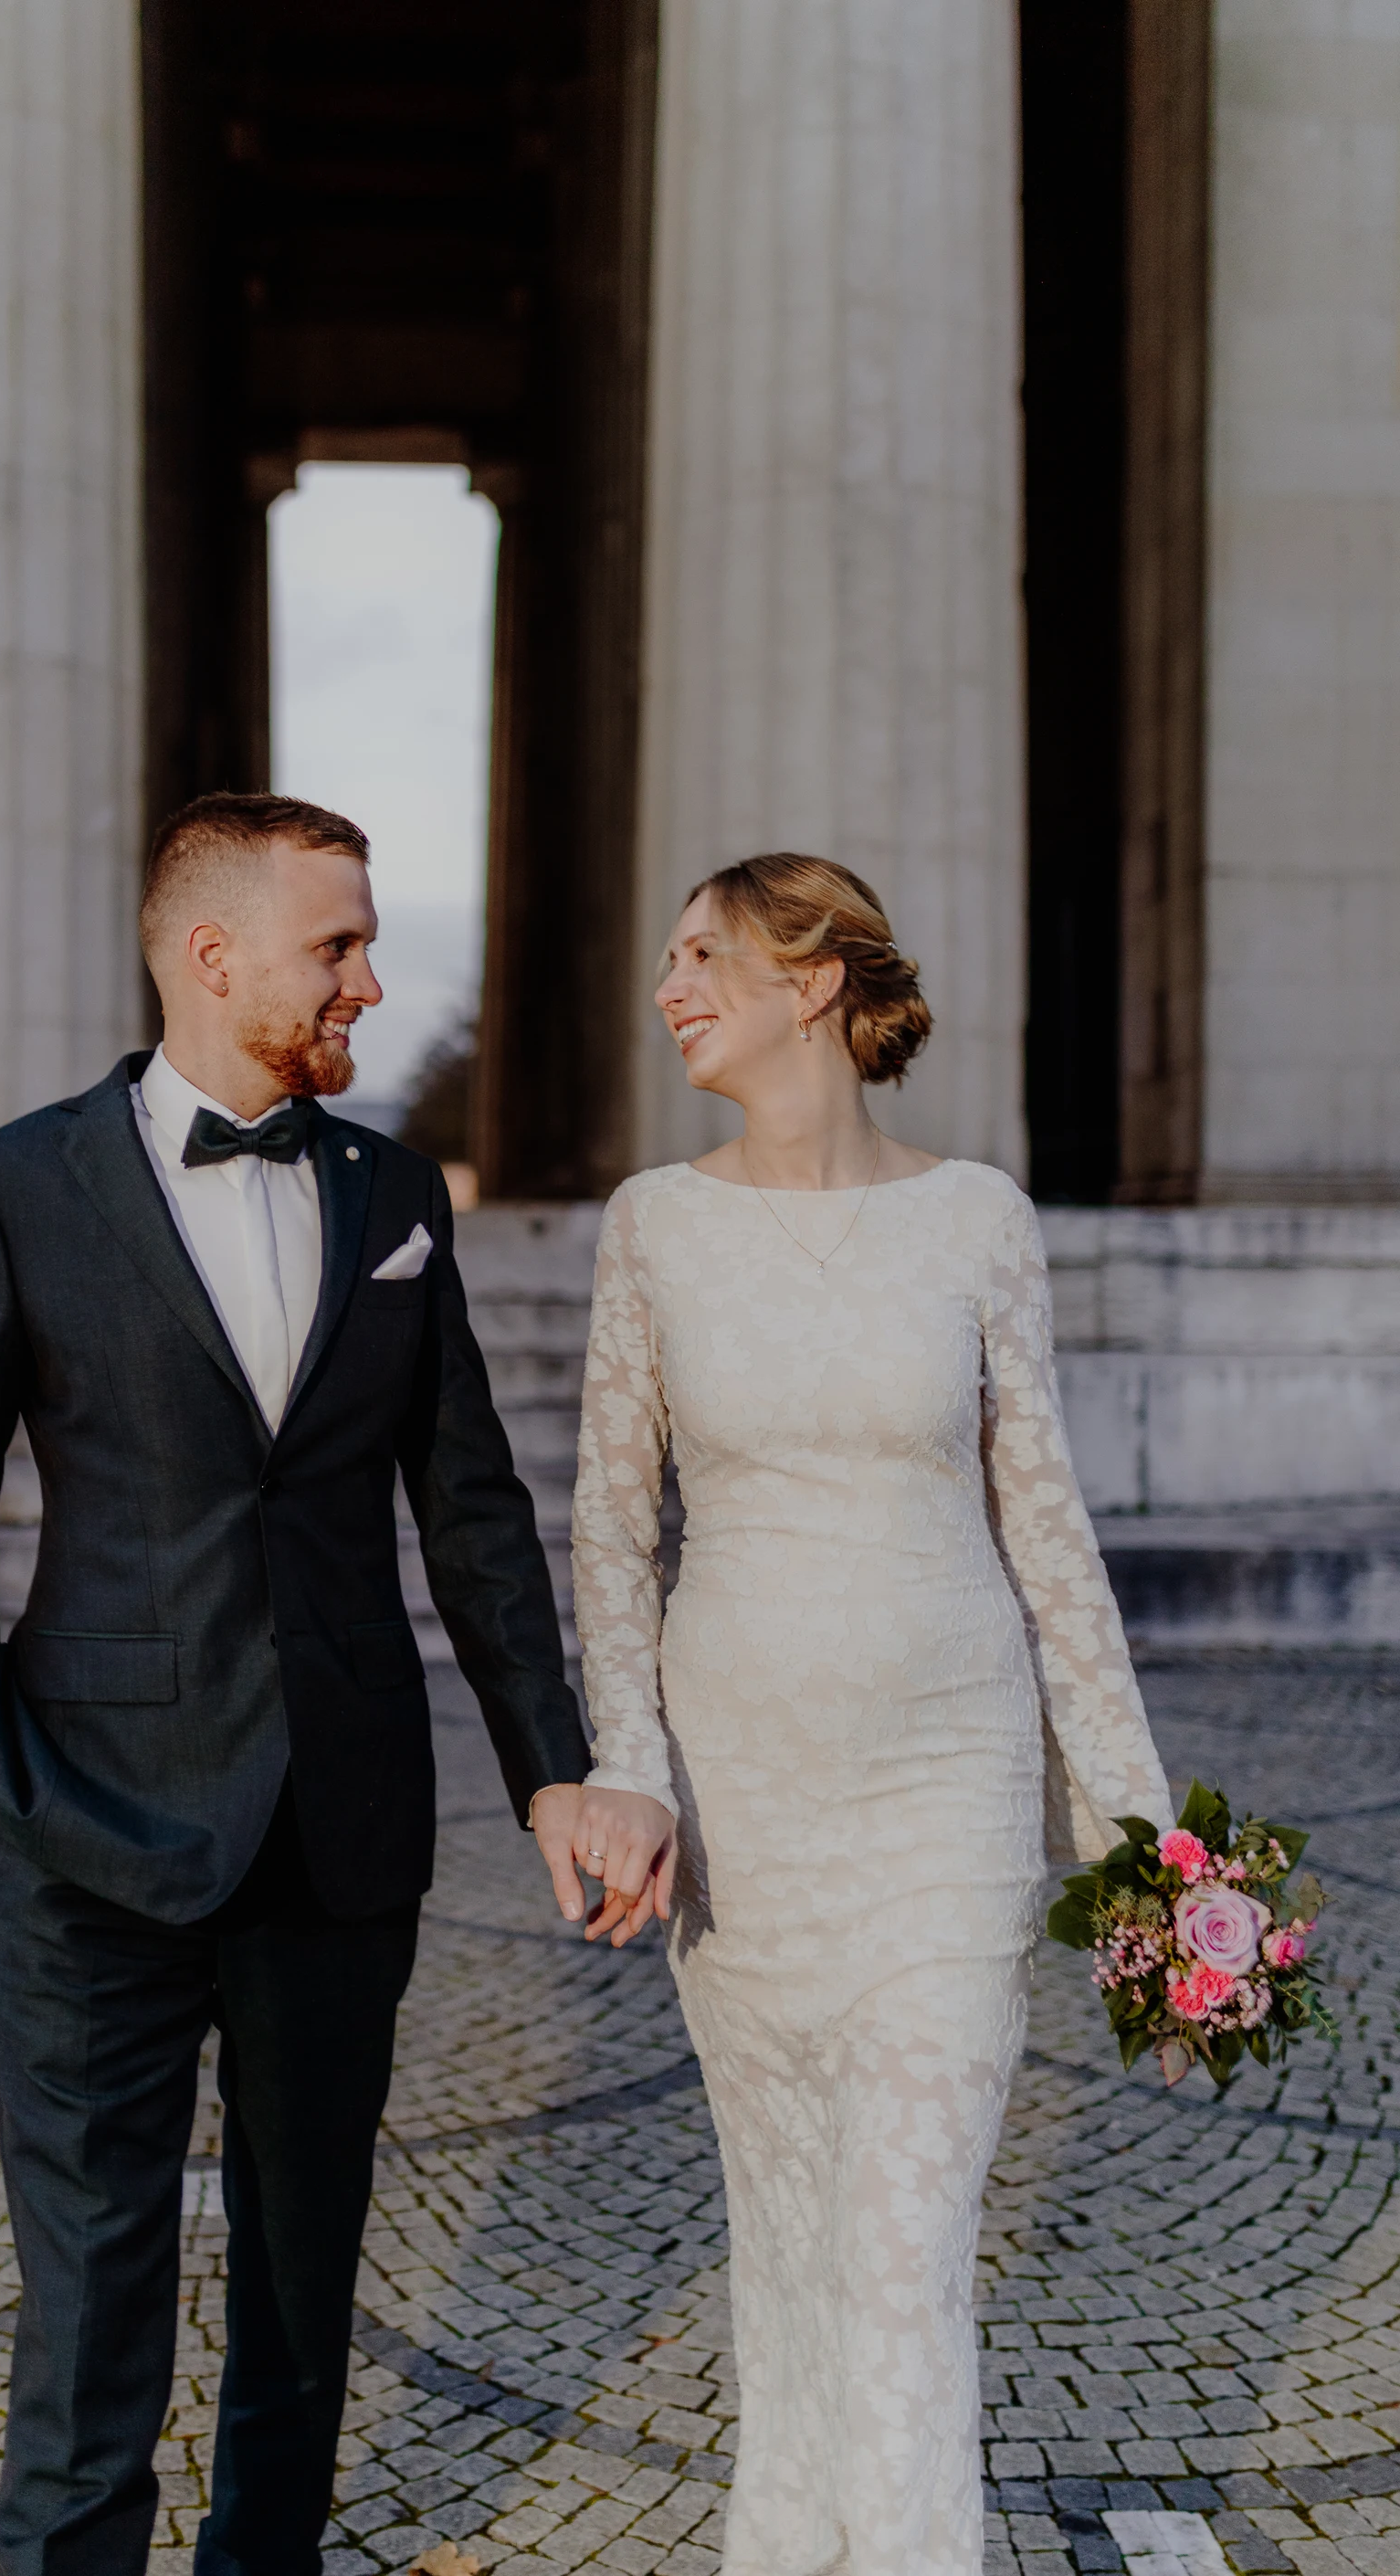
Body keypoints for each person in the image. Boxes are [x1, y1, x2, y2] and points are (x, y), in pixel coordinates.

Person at [0, 791, 592, 2576]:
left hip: (341, 1834)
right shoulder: (16, 1185)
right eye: (336, 944)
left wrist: (553, 1767)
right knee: (88, 2307)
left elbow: (473, 1512)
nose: (368, 981)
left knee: (301, 2285)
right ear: (213, 955)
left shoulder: (395, 1197)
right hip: (81, 1830)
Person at [566, 853, 1173, 2576]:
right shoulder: (652, 1224)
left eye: (704, 954)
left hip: (944, 1798)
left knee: (903, 2257)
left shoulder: (978, 1217)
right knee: (791, 2254)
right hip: (744, 1819)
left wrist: (1148, 1845)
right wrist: (631, 1769)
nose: (671, 988)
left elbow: (1046, 1530)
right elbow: (609, 1529)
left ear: (814, 979)